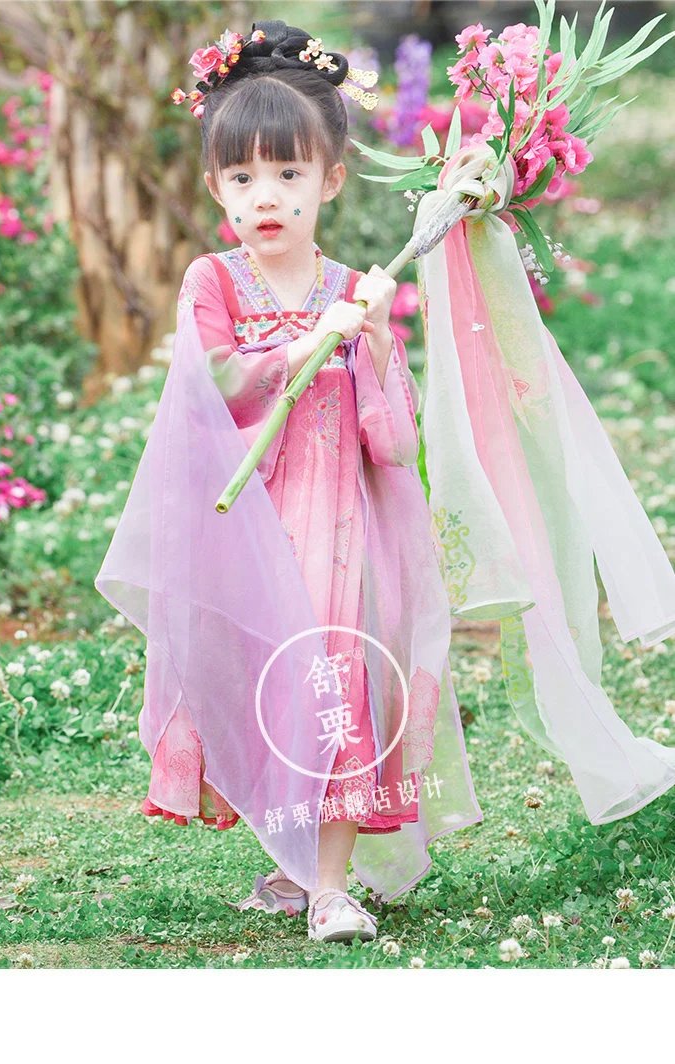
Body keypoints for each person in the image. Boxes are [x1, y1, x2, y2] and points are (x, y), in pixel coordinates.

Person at [95, 19, 483, 944]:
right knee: (264, 689)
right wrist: (303, 346)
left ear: (330, 180)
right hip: (245, 529)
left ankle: (332, 886)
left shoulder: (355, 289)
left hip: (336, 532)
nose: (264, 196)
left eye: (288, 174)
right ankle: (294, 860)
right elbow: (215, 385)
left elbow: (392, 445)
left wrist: (374, 343)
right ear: (214, 187)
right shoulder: (213, 283)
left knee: (333, 681)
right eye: (241, 178)